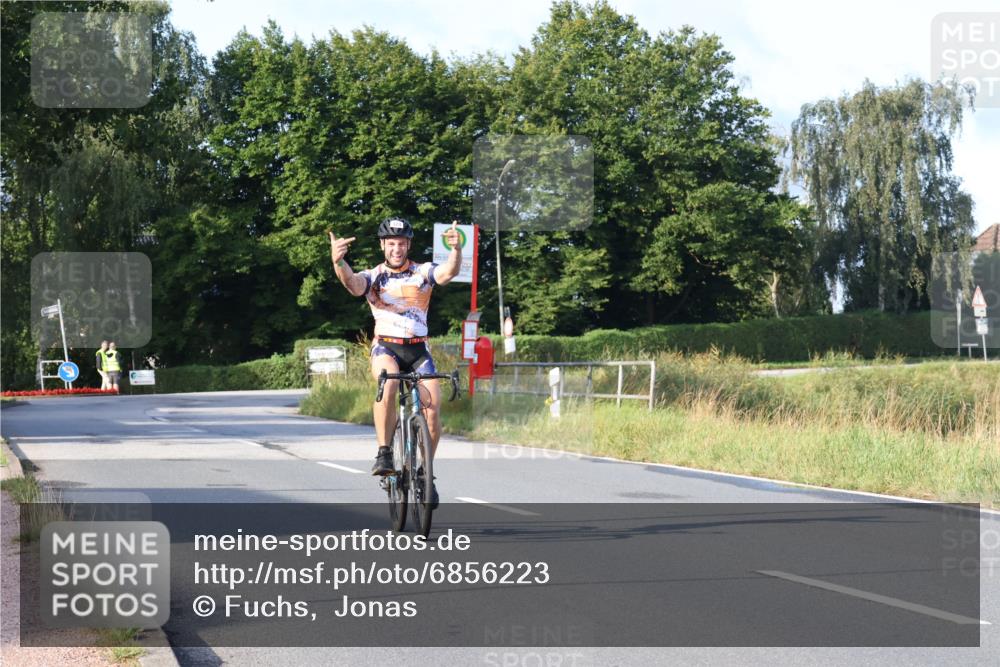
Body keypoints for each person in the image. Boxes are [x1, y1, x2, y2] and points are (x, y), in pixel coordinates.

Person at [330, 218, 463, 508]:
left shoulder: (422, 272)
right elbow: (353, 285)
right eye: (391, 243)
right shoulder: (374, 276)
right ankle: (384, 452)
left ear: (408, 245)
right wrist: (339, 262)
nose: (396, 249)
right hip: (386, 348)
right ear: (382, 246)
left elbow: (447, 273)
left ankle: (425, 473)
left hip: (418, 350)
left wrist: (456, 251)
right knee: (387, 382)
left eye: (401, 243)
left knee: (433, 409)